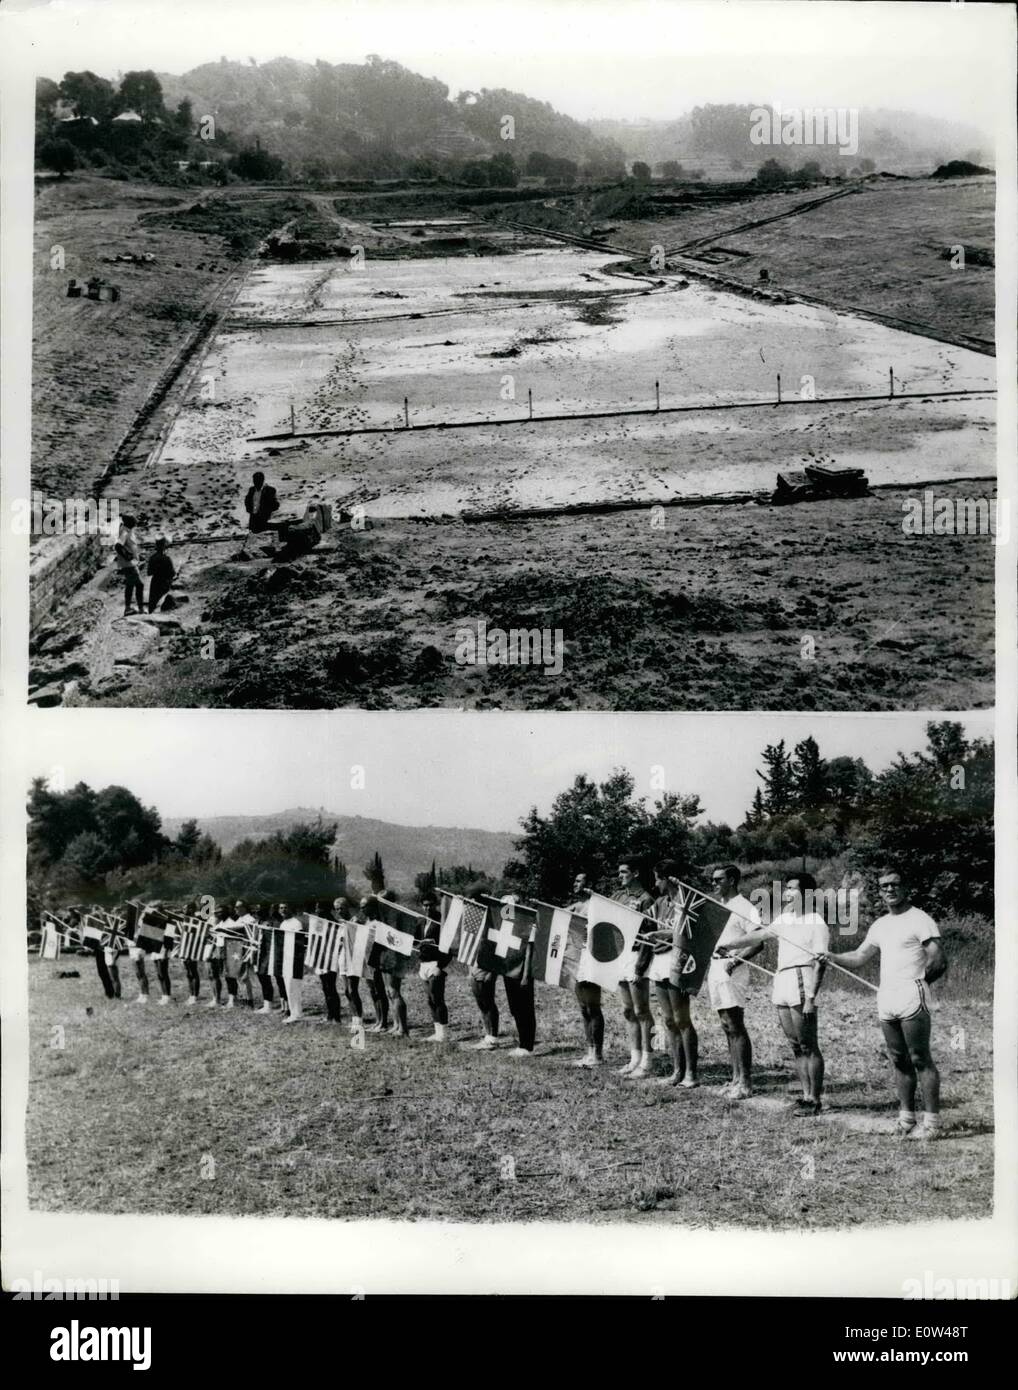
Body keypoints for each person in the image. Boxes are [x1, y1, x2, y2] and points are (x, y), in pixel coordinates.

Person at [830, 865, 947, 1140]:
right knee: (897, 1058)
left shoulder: (920, 919)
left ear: (905, 887)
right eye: (884, 886)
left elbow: (938, 959)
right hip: (887, 996)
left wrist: (919, 984)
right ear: (880, 892)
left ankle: (931, 1123)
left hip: (911, 995)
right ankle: (906, 1119)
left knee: (920, 1058)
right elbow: (859, 957)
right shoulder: (880, 924)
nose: (890, 890)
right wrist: (831, 956)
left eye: (895, 884)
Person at [717, 872, 829, 1117]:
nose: (787, 893)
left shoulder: (815, 921)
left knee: (808, 1044)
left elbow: (821, 962)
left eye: (793, 889)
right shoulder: (785, 918)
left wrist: (811, 998)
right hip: (783, 979)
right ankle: (806, 1096)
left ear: (807, 894)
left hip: (802, 978)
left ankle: (815, 1100)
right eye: (786, 889)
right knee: (795, 1045)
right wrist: (730, 946)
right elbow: (760, 935)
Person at [706, 864, 763, 1099]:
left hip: (733, 970)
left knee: (736, 1024)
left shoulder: (745, 907)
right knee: (726, 1025)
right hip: (716, 967)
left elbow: (758, 941)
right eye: (713, 880)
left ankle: (746, 1082)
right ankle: (735, 1079)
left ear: (732, 880)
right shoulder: (719, 906)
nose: (714, 883)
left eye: (718, 879)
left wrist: (735, 962)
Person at [648, 861, 701, 1088]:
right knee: (669, 1020)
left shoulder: (686, 900)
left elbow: (686, 930)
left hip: (677, 960)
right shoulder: (660, 902)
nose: (656, 883)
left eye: (658, 878)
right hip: (658, 960)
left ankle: (691, 1072)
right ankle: (677, 1069)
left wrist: (661, 933)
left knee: (682, 1019)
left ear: (669, 878)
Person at [613, 859, 656, 1077]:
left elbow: (650, 935)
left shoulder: (646, 899)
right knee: (627, 1010)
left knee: (641, 1010)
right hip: (621, 955)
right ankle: (634, 1057)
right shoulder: (619, 896)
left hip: (637, 955)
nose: (620, 875)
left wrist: (641, 966)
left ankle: (648, 1060)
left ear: (636, 873)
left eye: (624, 872)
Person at [567, 873, 602, 1068]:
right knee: (583, 1008)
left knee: (592, 1006)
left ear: (588, 885)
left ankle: (597, 1052)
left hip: (592, 957)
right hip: (578, 958)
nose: (575, 883)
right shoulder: (574, 905)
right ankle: (589, 1050)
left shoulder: (594, 905)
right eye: (575, 880)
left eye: (579, 880)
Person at [500, 895, 537, 1058]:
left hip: (522, 972)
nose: (507, 910)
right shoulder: (504, 926)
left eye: (511, 907)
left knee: (525, 1009)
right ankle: (522, 1043)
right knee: (515, 1008)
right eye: (504, 907)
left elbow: (530, 952)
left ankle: (527, 1045)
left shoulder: (527, 924)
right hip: (508, 971)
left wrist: (526, 975)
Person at [417, 893, 452, 1043]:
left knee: (437, 998)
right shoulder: (421, 921)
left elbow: (449, 947)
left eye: (430, 904)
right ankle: (437, 1032)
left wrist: (441, 966)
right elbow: (415, 940)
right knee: (430, 1000)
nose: (427, 907)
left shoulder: (441, 921)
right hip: (423, 963)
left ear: (436, 905)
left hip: (436, 963)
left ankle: (444, 1034)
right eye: (425, 905)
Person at [277, 902, 306, 1023]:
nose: (283, 910)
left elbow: (299, 942)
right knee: (287, 985)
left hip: (294, 958)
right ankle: (293, 1012)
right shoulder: (283, 923)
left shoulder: (296, 923)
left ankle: (297, 1013)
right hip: (285, 959)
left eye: (285, 908)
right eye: (281, 908)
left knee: (293, 986)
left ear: (291, 909)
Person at [114, 516, 144, 617]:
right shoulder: (125, 532)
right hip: (129, 564)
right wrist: (127, 556)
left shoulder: (127, 530)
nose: (135, 524)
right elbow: (118, 546)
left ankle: (128, 608)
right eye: (134, 522)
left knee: (130, 585)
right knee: (140, 584)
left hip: (130, 563)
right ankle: (140, 609)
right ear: (129, 523)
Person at [242, 471, 280, 551]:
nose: (256, 482)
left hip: (264, 517)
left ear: (262, 480)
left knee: (265, 537)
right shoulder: (251, 490)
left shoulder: (270, 490)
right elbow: (247, 500)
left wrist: (267, 511)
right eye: (255, 480)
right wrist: (250, 510)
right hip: (253, 518)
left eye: (258, 481)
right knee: (254, 536)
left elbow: (276, 505)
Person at [146, 537, 176, 613]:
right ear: (164, 546)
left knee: (153, 604)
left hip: (155, 582)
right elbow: (172, 573)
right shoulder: (167, 558)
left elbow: (149, 573)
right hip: (164, 583)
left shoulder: (152, 558)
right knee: (163, 603)